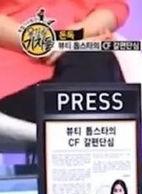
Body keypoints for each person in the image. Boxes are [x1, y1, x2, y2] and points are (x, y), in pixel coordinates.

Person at [0, 0, 129, 123]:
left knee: (95, 62)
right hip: (16, 72)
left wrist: (73, 36)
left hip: (81, 58)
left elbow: (112, 6)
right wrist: (45, 43)